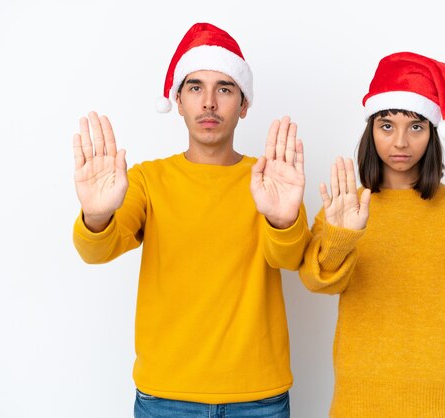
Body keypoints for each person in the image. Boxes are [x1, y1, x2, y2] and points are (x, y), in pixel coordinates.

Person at [72, 22, 310, 418]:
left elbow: (291, 259)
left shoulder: (274, 181)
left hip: (258, 398)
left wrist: (283, 221)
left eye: (225, 89)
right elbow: (96, 251)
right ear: (178, 101)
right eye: (196, 87)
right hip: (165, 397)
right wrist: (97, 214)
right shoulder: (148, 181)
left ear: (244, 104)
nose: (209, 103)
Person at [299, 51, 445, 417]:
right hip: (364, 397)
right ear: (370, 131)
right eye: (386, 125)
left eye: (416, 126)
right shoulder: (347, 208)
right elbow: (316, 280)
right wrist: (342, 237)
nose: (400, 142)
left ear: (433, 134)